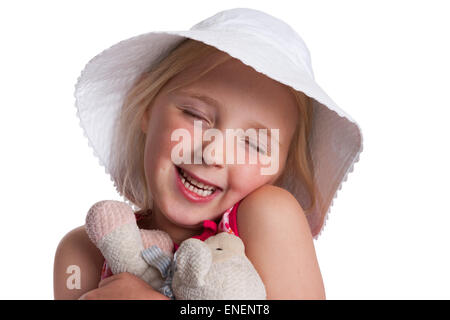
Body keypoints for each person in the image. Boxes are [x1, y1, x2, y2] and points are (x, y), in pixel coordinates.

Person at [53, 7, 363, 300]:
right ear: (147, 106)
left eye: (253, 143)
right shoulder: (83, 254)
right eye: (195, 116)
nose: (213, 153)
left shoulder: (270, 215)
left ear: (278, 170)